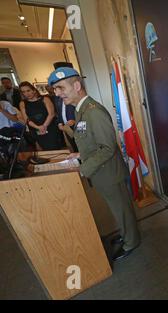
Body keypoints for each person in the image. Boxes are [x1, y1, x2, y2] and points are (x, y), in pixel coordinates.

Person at [48, 67, 140, 261]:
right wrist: (78, 152)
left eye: (60, 88)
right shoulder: (81, 109)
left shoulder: (93, 111)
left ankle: (131, 242)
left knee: (121, 209)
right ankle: (125, 235)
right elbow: (88, 138)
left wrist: (84, 168)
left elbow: (107, 148)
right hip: (101, 172)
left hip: (109, 173)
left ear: (76, 85)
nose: (57, 93)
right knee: (116, 208)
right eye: (55, 89)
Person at [19, 81, 62, 151]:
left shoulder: (45, 99)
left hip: (50, 128)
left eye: (28, 90)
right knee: (42, 152)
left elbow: (51, 114)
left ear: (34, 90)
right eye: (23, 92)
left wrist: (44, 126)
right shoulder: (22, 103)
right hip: (35, 130)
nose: (27, 93)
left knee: (55, 149)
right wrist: (38, 127)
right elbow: (26, 119)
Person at [46, 85, 78, 152]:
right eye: (54, 90)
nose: (55, 93)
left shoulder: (73, 96)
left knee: (81, 144)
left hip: (77, 125)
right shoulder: (57, 99)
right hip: (66, 127)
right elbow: (59, 112)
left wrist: (75, 120)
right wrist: (60, 123)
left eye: (56, 89)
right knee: (72, 146)